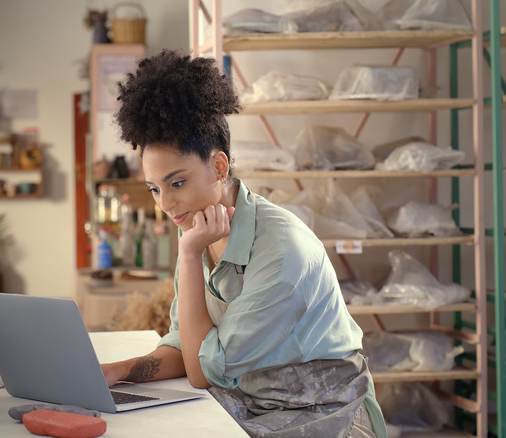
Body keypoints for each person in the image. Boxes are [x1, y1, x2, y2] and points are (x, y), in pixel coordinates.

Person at [100, 49, 387, 438]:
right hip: (253, 402)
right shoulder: (203, 228)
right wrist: (119, 371)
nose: (165, 204)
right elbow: (187, 347)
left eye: (177, 183)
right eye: (154, 188)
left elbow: (202, 372)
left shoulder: (282, 252)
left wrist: (188, 254)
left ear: (219, 166)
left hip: (326, 415)